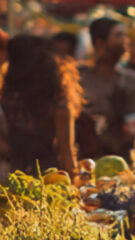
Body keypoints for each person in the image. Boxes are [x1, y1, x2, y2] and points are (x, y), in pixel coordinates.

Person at [0, 34, 83, 173]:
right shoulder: (58, 104)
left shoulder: (7, 98)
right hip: (49, 176)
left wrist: (13, 153)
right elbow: (66, 155)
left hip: (13, 174)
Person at [77, 17, 135, 159]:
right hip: (85, 160)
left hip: (125, 159)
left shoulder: (132, 80)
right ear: (100, 43)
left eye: (125, 36)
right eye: (118, 36)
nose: (125, 41)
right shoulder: (80, 78)